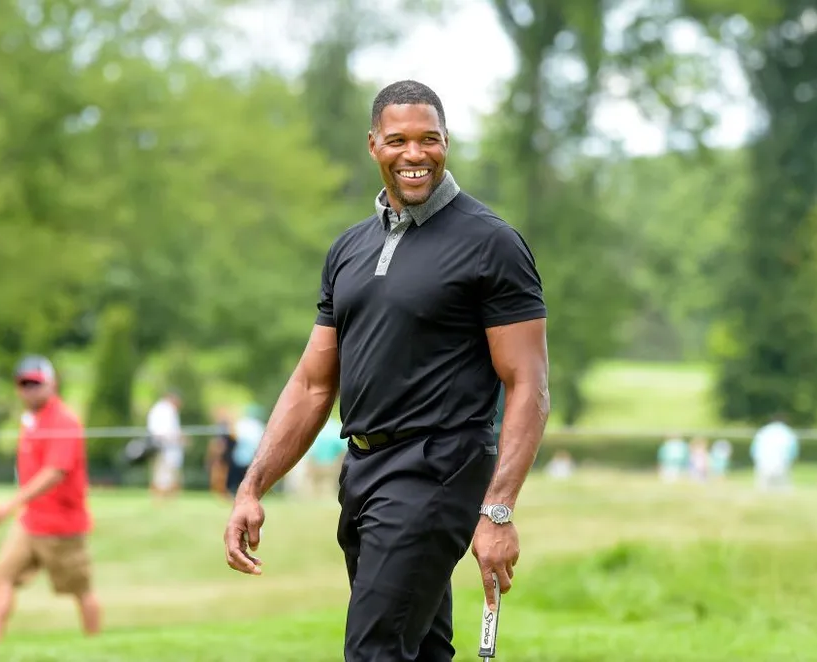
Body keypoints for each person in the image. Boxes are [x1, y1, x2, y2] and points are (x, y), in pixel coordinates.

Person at [222, 79, 549, 662]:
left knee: (374, 650)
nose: (415, 154)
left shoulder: (490, 244)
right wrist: (251, 485)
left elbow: (529, 386)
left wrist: (497, 510)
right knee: (418, 649)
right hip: (364, 471)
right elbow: (312, 384)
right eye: (398, 140)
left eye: (430, 140)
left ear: (447, 143)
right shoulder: (349, 249)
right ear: (374, 145)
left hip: (438, 468)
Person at [0, 355, 101, 643]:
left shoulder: (63, 420)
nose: (30, 390)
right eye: (24, 384)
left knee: (80, 589)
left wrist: (11, 504)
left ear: (52, 383)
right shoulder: (31, 421)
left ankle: (95, 646)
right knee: (2, 576)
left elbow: (54, 473)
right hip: (29, 522)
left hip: (62, 527)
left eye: (36, 383)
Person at [146, 389, 185, 499]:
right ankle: (159, 498)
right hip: (163, 447)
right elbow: (164, 431)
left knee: (167, 474)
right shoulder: (164, 410)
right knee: (161, 475)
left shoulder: (164, 409)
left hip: (168, 447)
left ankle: (166, 498)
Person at [750, 414, 799, 491]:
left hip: (762, 465)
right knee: (783, 492)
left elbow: (754, 450)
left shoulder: (763, 431)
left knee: (762, 491)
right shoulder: (788, 432)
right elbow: (793, 452)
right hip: (782, 465)